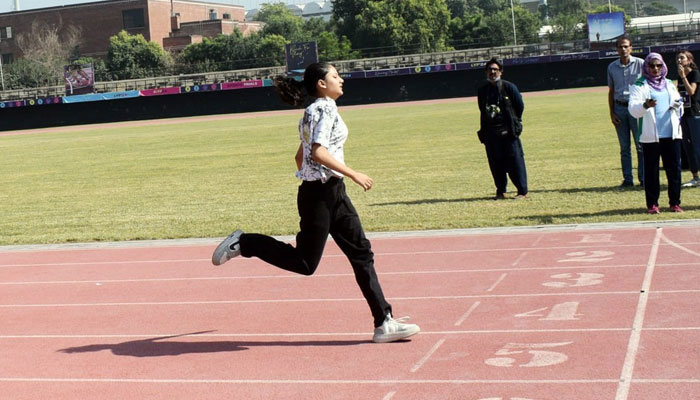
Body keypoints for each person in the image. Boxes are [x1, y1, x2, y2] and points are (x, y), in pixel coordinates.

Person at [211, 62, 420, 344]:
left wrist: (334, 177)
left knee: (362, 254)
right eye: (335, 76)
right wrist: (353, 172)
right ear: (322, 84)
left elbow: (301, 157)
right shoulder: (323, 109)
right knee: (305, 263)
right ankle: (245, 243)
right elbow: (318, 152)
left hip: (332, 192)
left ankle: (384, 322)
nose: (341, 80)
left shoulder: (313, 111)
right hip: (320, 196)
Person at [629, 53, 684, 214]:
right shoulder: (639, 85)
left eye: (658, 66)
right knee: (651, 172)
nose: (655, 69)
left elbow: (679, 102)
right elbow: (633, 110)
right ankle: (652, 204)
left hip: (671, 134)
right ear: (646, 66)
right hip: (651, 136)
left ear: (663, 66)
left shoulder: (669, 84)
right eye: (652, 66)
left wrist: (677, 104)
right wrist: (645, 105)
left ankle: (675, 202)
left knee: (674, 170)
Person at [477, 58, 528, 200]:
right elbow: (482, 109)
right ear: (486, 72)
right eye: (489, 70)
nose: (492, 72)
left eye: (495, 69)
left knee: (515, 161)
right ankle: (501, 191)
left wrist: (513, 122)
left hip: (508, 132)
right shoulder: (482, 90)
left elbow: (519, 106)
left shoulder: (509, 87)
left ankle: (522, 191)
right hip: (491, 133)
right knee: (495, 162)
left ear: (501, 71)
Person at [608, 36, 645, 188]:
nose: (623, 49)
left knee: (641, 145)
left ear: (631, 47)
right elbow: (611, 91)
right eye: (620, 47)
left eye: (625, 46)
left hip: (636, 108)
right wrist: (612, 113)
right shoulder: (611, 67)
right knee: (624, 148)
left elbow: (646, 87)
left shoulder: (641, 64)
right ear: (616, 49)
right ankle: (628, 179)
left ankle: (643, 178)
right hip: (619, 108)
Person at [676, 51, 700, 188]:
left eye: (682, 58)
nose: (679, 60)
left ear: (689, 60)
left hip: (695, 114)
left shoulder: (694, 74)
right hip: (683, 115)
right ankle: (695, 177)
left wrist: (683, 76)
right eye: (677, 58)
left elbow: (691, 91)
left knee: (697, 146)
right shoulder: (680, 76)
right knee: (688, 146)